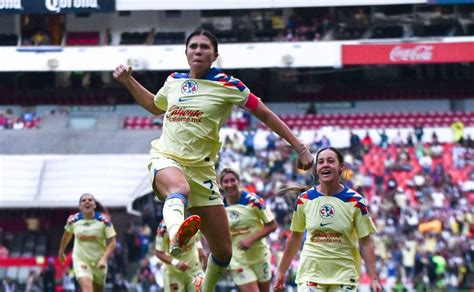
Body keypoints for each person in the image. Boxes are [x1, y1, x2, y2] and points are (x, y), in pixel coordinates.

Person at [113, 28, 313, 291]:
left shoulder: (229, 85)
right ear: (186, 52)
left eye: (204, 47)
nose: (198, 50)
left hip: (203, 172)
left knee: (223, 253)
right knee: (178, 188)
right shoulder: (173, 80)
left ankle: (203, 288)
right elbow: (153, 105)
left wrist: (299, 147)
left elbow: (265, 114)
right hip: (166, 158)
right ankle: (176, 233)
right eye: (193, 46)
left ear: (215, 55)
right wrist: (129, 81)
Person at [274, 147, 382, 292]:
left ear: (341, 167)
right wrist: (281, 271)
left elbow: (366, 242)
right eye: (321, 162)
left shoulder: (355, 201)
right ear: (317, 169)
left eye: (331, 161)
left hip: (344, 276)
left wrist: (374, 279)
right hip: (311, 274)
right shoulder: (305, 199)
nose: (325, 164)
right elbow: (295, 237)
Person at [219, 168, 278, 292]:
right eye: (226, 181)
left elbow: (272, 225)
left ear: (238, 181)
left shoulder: (254, 201)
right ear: (221, 184)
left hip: (260, 256)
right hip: (238, 261)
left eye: (232, 180)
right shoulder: (219, 208)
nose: (230, 184)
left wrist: (250, 240)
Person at [58, 193, 117, 292]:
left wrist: (104, 258)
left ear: (94, 205)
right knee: (88, 290)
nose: (87, 202)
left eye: (90, 200)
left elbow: (112, 242)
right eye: (84, 200)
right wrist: (61, 251)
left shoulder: (104, 221)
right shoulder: (73, 220)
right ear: (80, 206)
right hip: (81, 260)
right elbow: (67, 235)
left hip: (99, 262)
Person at [155, 219, 206, 291]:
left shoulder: (193, 219)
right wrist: (175, 262)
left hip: (194, 269)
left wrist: (200, 248)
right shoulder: (163, 228)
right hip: (173, 273)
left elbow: (196, 236)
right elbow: (158, 252)